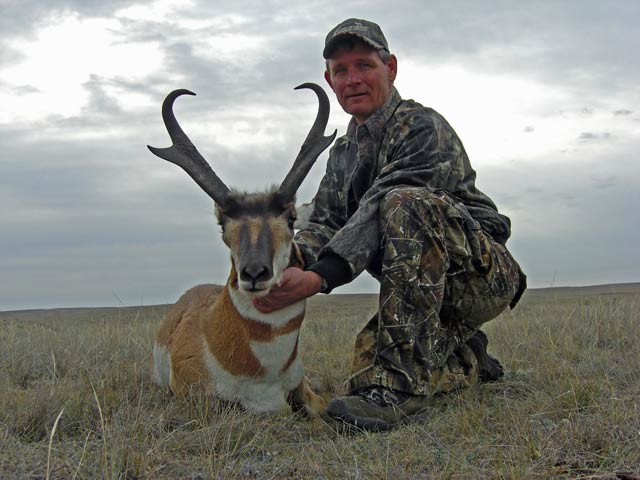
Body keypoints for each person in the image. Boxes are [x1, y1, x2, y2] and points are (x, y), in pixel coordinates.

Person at [254, 18, 526, 431]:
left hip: (481, 278)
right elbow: (323, 222)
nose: (353, 80)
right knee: (367, 357)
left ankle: (395, 392)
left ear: (391, 68)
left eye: (364, 65)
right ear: (329, 80)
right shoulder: (343, 153)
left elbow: (384, 202)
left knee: (403, 203)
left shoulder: (421, 127)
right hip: (423, 293)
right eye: (341, 71)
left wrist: (319, 277)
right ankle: (466, 357)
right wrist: (284, 261)